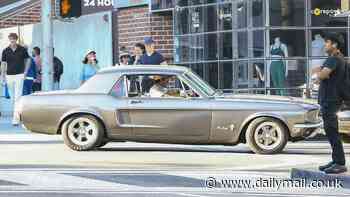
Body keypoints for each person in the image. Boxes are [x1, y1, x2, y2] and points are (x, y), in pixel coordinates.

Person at [312, 33, 347, 174]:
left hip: (331, 100)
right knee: (331, 131)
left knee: (332, 132)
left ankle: (339, 163)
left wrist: (318, 74)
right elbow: (320, 73)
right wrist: (319, 73)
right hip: (331, 99)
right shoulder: (337, 58)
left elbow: (321, 74)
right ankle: (335, 160)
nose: (325, 45)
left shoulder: (334, 59)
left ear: (334, 45)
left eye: (327, 43)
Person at [1, 33, 31, 125]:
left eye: (13, 39)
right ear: (9, 40)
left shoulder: (22, 49)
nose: (12, 41)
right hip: (9, 75)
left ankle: (15, 119)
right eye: (11, 39)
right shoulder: (5, 50)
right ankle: (18, 114)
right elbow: (3, 63)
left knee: (18, 96)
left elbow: (28, 60)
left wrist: (25, 72)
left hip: (19, 75)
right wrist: (2, 75)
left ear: (16, 40)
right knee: (13, 98)